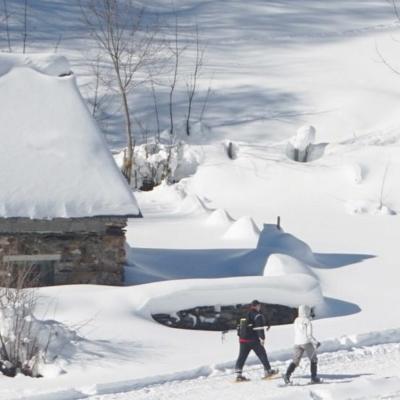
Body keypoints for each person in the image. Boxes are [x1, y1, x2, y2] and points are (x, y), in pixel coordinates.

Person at [235, 300, 278, 381]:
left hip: (242, 339)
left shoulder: (245, 314)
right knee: (262, 354)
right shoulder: (257, 315)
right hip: (252, 340)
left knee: (242, 356)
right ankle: (268, 371)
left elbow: (238, 326)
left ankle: (238, 375)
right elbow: (259, 327)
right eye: (259, 306)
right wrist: (262, 338)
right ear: (256, 306)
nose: (260, 307)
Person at [283, 304, 321, 385]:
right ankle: (314, 378)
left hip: (297, 343)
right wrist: (316, 342)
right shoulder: (307, 321)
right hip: (306, 342)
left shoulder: (296, 320)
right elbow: (309, 335)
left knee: (295, 361)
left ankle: (287, 376)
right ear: (307, 311)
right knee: (313, 359)